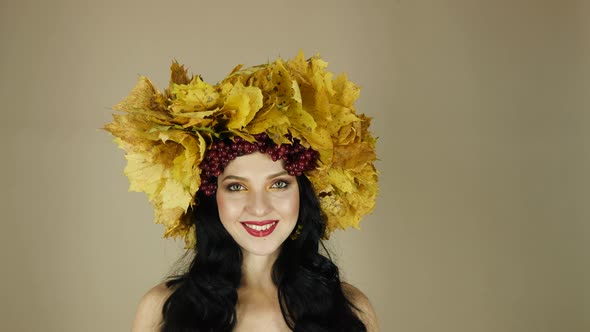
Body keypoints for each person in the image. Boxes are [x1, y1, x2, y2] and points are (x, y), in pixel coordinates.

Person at [106, 52, 379, 331]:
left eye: (279, 184)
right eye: (236, 187)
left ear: (304, 193)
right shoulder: (162, 309)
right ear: (212, 196)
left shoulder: (351, 309)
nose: (259, 207)